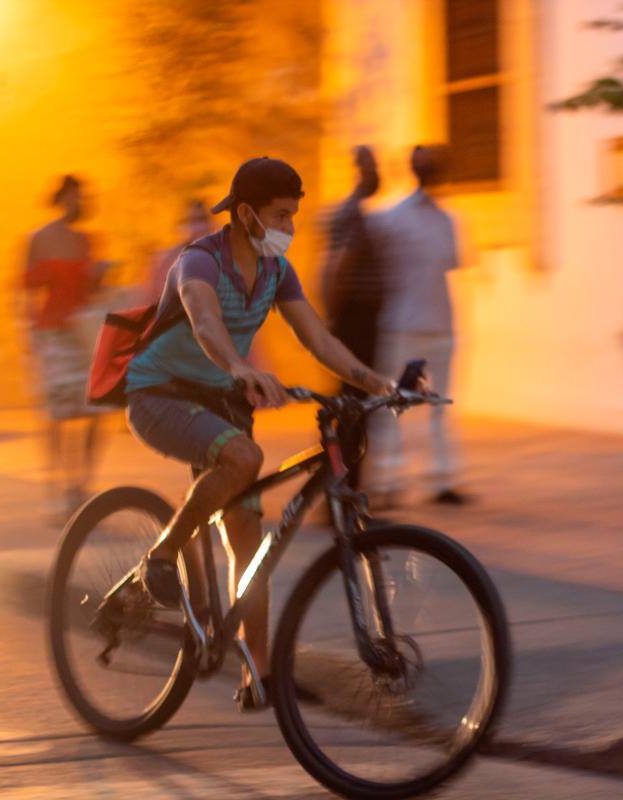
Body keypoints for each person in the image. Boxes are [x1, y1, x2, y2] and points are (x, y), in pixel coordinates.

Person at [124, 157, 396, 708]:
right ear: (245, 214)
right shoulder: (198, 262)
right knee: (244, 458)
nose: (290, 227)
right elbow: (205, 323)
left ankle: (261, 676)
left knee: (250, 541)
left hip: (222, 401)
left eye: (294, 215)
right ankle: (162, 554)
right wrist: (240, 367)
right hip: (161, 395)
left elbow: (318, 339)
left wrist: (377, 384)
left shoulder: (276, 271)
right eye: (280, 215)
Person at [366, 145, 469, 506]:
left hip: (438, 324)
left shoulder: (446, 219)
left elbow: (452, 262)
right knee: (397, 401)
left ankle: (441, 477)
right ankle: (390, 478)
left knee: (439, 403)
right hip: (404, 326)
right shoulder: (389, 219)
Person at [24, 176, 111, 514]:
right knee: (57, 414)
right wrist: (29, 338)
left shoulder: (88, 239)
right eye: (74, 197)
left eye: (83, 197)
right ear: (61, 199)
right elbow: (26, 291)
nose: (79, 202)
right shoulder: (40, 238)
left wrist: (102, 273)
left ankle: (83, 483)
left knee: (96, 410)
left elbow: (94, 292)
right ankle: (57, 486)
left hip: (83, 333)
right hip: (52, 334)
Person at [321, 146, 384, 490]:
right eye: (371, 166)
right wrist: (333, 316)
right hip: (356, 320)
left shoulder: (351, 212)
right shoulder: (353, 215)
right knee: (354, 408)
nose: (377, 173)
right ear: (358, 170)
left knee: (353, 405)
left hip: (353, 318)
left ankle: (342, 484)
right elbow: (340, 266)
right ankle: (344, 487)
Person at [143, 199, 213, 304]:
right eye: (191, 221)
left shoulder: (224, 256)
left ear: (210, 223)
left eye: (202, 219)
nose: (197, 227)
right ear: (181, 225)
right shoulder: (166, 262)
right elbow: (153, 301)